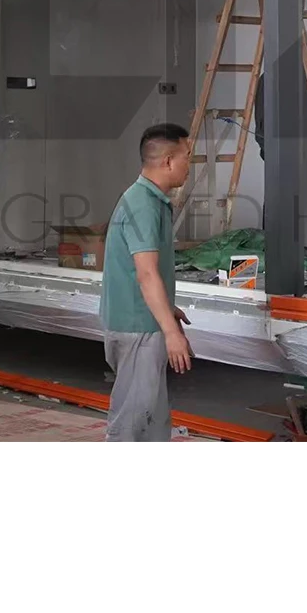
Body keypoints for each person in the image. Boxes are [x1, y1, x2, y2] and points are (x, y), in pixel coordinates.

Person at [99, 123, 194, 441]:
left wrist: (167, 309)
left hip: (142, 321)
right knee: (132, 424)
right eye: (187, 156)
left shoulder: (148, 200)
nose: (189, 164)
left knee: (152, 420)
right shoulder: (142, 205)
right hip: (138, 327)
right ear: (168, 161)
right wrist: (171, 332)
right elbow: (146, 273)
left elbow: (141, 271)